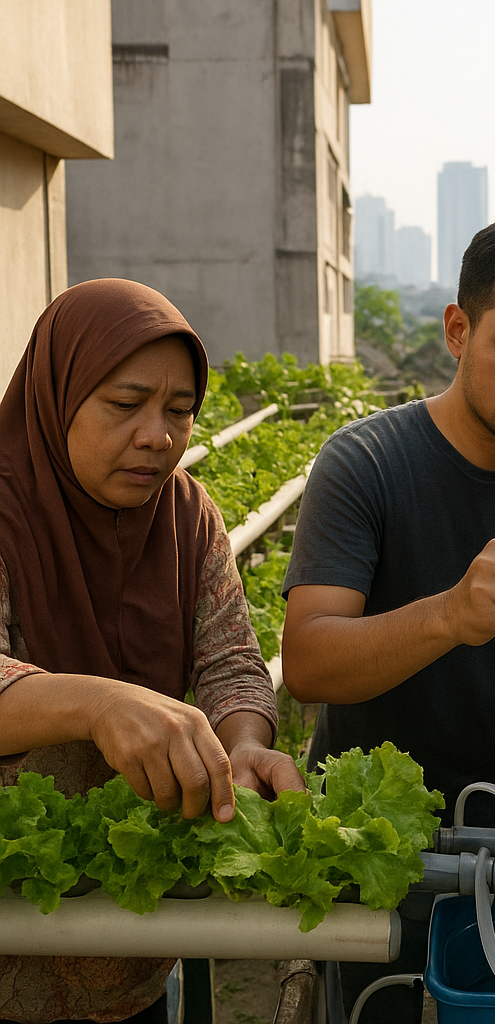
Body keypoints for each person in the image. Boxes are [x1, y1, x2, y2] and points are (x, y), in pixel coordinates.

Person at [281, 213, 495, 1022]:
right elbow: (307, 662)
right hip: (358, 825)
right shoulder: (363, 462)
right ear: (457, 329)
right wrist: (450, 614)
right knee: (375, 1005)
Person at [0, 278, 304, 1023]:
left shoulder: (187, 513)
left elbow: (230, 659)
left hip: (137, 932)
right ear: (58, 393)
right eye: (124, 404)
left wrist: (243, 744)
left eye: (179, 411)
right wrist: (100, 702)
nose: (158, 436)